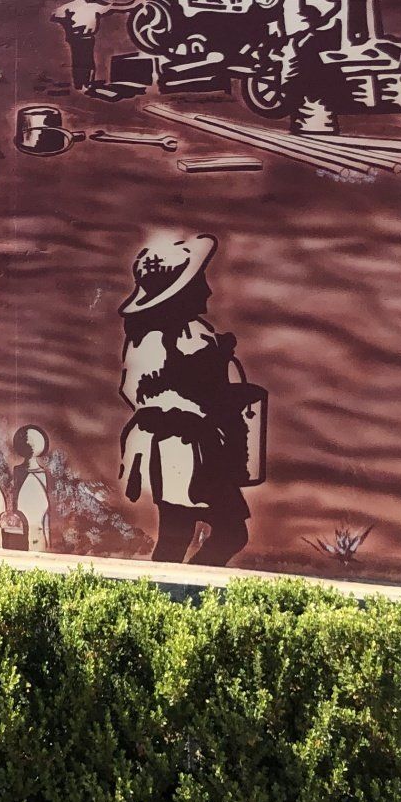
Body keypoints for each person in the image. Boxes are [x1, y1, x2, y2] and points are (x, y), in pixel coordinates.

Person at [117, 234, 257, 566]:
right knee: (182, 533)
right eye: (198, 282)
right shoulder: (151, 339)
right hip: (177, 449)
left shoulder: (195, 331)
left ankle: (180, 593)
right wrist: (191, 403)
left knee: (218, 533)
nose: (207, 289)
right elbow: (139, 391)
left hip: (204, 450)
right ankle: (170, 598)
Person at [253, 0, 340, 134]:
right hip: (298, 38)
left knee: (298, 84)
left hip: (297, 39)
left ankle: (315, 128)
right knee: (302, 86)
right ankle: (316, 127)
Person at [50, 0, 129, 87]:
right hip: (80, 37)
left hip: (82, 37)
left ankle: (82, 83)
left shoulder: (87, 6)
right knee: (84, 61)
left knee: (82, 60)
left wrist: (66, 24)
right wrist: (67, 24)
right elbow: (117, 8)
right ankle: (84, 83)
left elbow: (54, 16)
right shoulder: (89, 6)